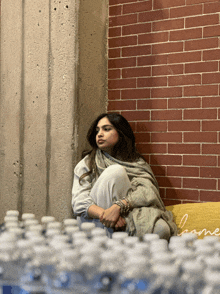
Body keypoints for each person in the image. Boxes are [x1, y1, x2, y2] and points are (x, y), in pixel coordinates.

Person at [72, 113, 177, 239]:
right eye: (97, 130)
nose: (99, 134)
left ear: (120, 133)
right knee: (115, 171)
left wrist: (119, 206)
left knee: (162, 230)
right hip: (96, 220)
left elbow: (147, 191)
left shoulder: (136, 162)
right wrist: (107, 214)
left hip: (125, 213)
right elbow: (79, 202)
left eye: (106, 129)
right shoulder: (88, 162)